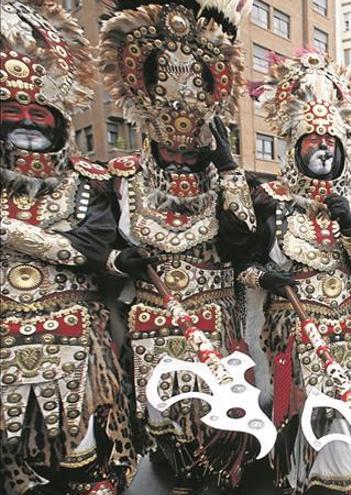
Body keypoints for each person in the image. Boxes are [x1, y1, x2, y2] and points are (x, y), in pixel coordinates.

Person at [99, 2, 258, 493]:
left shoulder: (223, 177)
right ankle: (178, 469)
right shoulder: (123, 178)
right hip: (154, 312)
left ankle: (217, 467)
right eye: (172, 149)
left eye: (191, 149)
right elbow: (99, 247)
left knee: (217, 400)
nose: (182, 156)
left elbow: (243, 237)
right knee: (166, 403)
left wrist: (228, 168)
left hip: (213, 310)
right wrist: (116, 261)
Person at [0, 2, 137, 493]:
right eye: (12, 112)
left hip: (70, 326)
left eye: (38, 113)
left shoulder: (85, 182)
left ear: (57, 121)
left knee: (81, 422)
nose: (26, 122)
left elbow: (88, 249)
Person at [238, 51, 351, 495]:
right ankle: (295, 477)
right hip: (293, 325)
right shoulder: (270, 200)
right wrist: (267, 279)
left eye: (330, 143)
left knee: (342, 403)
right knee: (295, 406)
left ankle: (340, 476)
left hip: (347, 326)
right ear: (295, 147)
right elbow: (242, 265)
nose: (323, 148)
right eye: (313, 141)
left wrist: (350, 225)